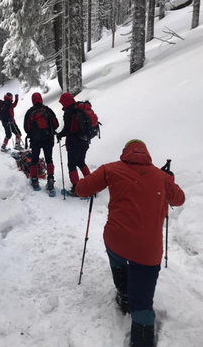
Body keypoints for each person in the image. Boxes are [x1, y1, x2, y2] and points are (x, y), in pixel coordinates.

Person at [76, 140, 185, 347]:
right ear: (147, 155)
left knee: (117, 259)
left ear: (124, 152)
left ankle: (124, 295)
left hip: (116, 239)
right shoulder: (161, 177)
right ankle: (142, 338)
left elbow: (82, 189)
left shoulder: (110, 169)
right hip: (147, 250)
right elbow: (179, 199)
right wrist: (170, 180)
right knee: (143, 303)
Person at [56, 92, 91, 196]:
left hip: (74, 142)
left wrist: (59, 135)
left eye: (62, 103)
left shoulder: (69, 112)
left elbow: (67, 129)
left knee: (71, 165)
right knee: (81, 162)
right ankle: (91, 183)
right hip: (85, 140)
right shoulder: (79, 108)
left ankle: (76, 189)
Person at [23, 92, 59, 191]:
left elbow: (26, 128)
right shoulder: (47, 110)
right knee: (49, 159)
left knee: (34, 159)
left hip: (35, 140)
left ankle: (34, 180)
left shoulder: (30, 112)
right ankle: (50, 179)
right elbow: (56, 124)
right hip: (48, 139)